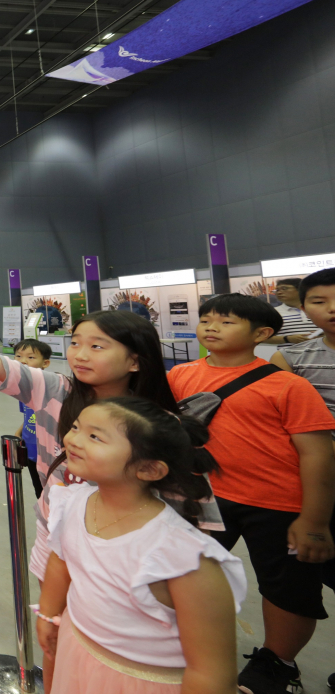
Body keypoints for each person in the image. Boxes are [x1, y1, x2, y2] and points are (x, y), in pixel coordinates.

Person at [0, 310, 211, 587]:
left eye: (97, 347)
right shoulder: (55, 389)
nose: (79, 354)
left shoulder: (159, 423)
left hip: (127, 541)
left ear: (135, 361)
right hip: (56, 528)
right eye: (76, 343)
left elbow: (188, 507)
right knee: (54, 617)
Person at [168, 293, 335, 694]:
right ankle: (186, 644)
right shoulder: (179, 376)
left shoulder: (288, 385)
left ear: (261, 333)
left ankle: (278, 662)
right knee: (186, 574)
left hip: (276, 502)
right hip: (201, 497)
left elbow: (317, 453)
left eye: (226, 322)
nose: (211, 327)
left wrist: (313, 520)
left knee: (286, 586)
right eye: (206, 319)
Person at [36, 397, 246, 694]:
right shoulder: (72, 502)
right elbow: (62, 559)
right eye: (75, 427)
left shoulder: (182, 556)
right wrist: (48, 613)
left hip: (143, 681)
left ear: (149, 469)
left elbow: (211, 674)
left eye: (95, 436)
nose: (73, 439)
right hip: (77, 649)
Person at [268, 269, 335, 694]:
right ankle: (280, 663)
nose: (332, 310)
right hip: (317, 486)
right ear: (303, 306)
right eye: (319, 301)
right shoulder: (291, 360)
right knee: (309, 573)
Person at [12, 338, 52, 499]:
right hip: (31, 450)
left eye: (31, 357)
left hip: (48, 453)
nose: (23, 362)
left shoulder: (50, 388)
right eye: (19, 356)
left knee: (53, 493)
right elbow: (29, 415)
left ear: (45, 363)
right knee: (39, 492)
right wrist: (19, 432)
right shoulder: (25, 388)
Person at [263, 278, 319, 346]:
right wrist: (287, 339)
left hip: (324, 354)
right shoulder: (273, 312)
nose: (279, 292)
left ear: (300, 289)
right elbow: (262, 337)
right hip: (288, 355)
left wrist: (326, 336)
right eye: (277, 290)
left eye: (284, 288)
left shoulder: (318, 308)